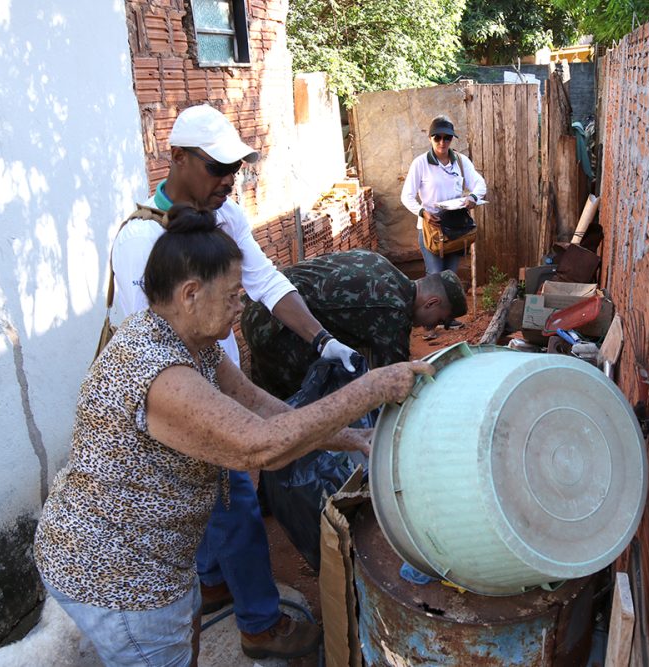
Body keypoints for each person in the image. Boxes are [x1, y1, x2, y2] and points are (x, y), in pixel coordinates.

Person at [35, 206, 434, 666]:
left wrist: (353, 437)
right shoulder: (158, 373)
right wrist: (370, 389)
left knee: (184, 637)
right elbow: (259, 445)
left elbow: (259, 404)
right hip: (118, 572)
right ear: (190, 294)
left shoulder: (186, 342)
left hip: (157, 558)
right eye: (232, 296)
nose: (241, 307)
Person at [110, 104, 360, 659]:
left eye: (236, 169)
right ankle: (259, 623)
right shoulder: (139, 241)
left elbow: (265, 281)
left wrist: (323, 341)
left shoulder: (224, 216)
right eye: (218, 167)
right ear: (177, 158)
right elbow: (154, 350)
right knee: (234, 497)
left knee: (211, 494)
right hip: (176, 396)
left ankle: (215, 581)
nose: (229, 180)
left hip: (212, 375)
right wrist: (352, 410)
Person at [241, 249, 467, 399]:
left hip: (264, 303)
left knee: (271, 403)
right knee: (300, 408)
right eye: (438, 320)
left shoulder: (382, 265)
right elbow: (393, 383)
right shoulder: (392, 313)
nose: (430, 328)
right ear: (432, 302)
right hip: (277, 325)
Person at [400, 115, 487, 330]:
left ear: (451, 139)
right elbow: (406, 196)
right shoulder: (421, 163)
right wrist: (422, 212)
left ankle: (447, 319)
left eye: (447, 138)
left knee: (449, 276)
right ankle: (428, 323)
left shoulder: (460, 160)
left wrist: (473, 198)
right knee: (434, 276)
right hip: (432, 227)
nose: (442, 142)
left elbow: (480, 183)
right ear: (430, 138)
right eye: (437, 137)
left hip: (456, 227)